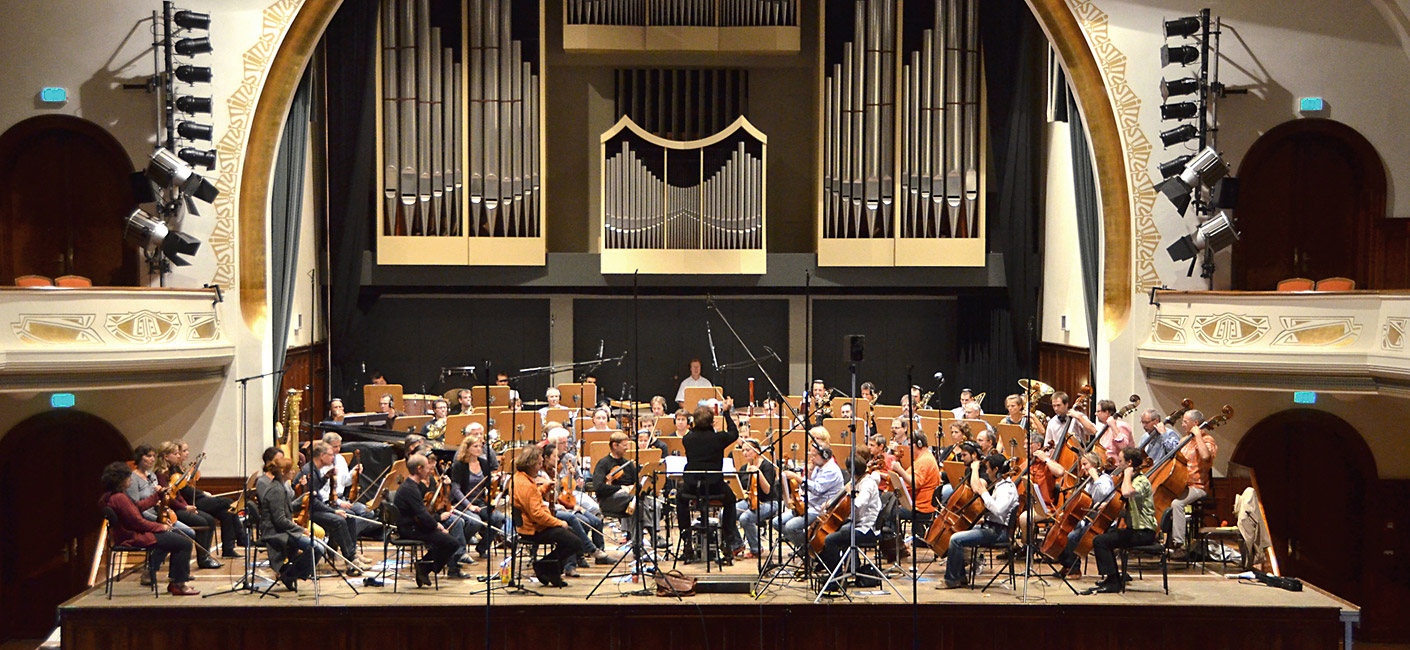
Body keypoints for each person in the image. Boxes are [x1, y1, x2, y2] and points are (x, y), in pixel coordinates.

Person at [99, 462, 199, 595]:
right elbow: (138, 522)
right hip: (133, 537)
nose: (131, 479)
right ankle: (178, 584)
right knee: (184, 543)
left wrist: (158, 495)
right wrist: (161, 527)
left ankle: (175, 582)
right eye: (129, 477)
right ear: (120, 480)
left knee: (177, 540)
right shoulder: (119, 498)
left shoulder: (112, 496)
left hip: (130, 534)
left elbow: (138, 507)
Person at [940, 452, 1017, 589]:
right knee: (958, 531)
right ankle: (960, 576)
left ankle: (951, 579)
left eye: (988, 469)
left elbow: (998, 510)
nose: (986, 472)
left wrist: (984, 493)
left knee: (955, 539)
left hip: (997, 532)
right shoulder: (1000, 484)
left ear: (996, 470)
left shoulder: (1007, 489)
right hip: (991, 527)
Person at [677, 398, 742, 562]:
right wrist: (726, 413)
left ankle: (686, 540)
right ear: (713, 422)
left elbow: (694, 433)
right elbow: (734, 433)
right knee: (731, 499)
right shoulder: (719, 438)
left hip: (692, 487)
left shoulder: (687, 439)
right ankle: (728, 539)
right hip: (715, 487)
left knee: (679, 497)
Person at [512, 444, 583, 587]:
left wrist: (544, 487)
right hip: (533, 529)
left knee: (571, 535)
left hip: (531, 525)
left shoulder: (520, 478)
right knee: (574, 542)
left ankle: (551, 570)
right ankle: (545, 567)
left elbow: (533, 498)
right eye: (539, 463)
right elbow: (537, 514)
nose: (540, 466)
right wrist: (558, 522)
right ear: (530, 463)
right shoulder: (526, 484)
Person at [1089, 447, 1157, 593]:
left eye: (1121, 461)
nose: (1118, 464)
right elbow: (1123, 506)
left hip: (1144, 532)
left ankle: (1114, 582)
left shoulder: (1141, 481)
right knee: (1103, 536)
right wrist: (1105, 506)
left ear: (1130, 462)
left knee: (1100, 541)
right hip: (1134, 529)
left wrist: (1127, 474)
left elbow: (1127, 493)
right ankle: (1112, 577)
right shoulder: (1133, 480)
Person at [394, 453, 468, 586]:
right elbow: (422, 514)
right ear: (419, 469)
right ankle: (425, 567)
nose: (430, 470)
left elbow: (422, 514)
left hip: (414, 525)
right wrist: (438, 526)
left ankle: (423, 567)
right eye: (427, 467)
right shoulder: (410, 489)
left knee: (446, 541)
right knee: (452, 543)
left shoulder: (411, 486)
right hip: (410, 529)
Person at [540, 442, 617, 571]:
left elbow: (558, 496)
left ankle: (599, 554)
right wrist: (563, 506)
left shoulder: (555, 472)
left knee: (596, 520)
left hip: (562, 505)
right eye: (555, 456)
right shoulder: (542, 475)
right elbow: (544, 500)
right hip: (550, 509)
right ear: (546, 458)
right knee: (583, 522)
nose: (558, 459)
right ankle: (583, 552)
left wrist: (571, 505)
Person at [297, 441, 367, 575]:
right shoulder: (309, 471)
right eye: (330, 455)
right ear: (321, 456)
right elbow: (313, 502)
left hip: (315, 507)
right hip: (308, 511)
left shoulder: (316, 470)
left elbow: (315, 492)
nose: (333, 457)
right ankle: (350, 559)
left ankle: (351, 553)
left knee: (349, 516)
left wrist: (325, 478)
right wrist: (334, 511)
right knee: (338, 520)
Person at [151, 442, 223, 568]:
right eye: (175, 453)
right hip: (172, 509)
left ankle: (205, 556)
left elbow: (178, 494)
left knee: (210, 520)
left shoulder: (172, 470)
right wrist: (184, 507)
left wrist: (189, 508)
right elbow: (168, 497)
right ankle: (203, 559)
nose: (178, 456)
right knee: (201, 522)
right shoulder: (160, 474)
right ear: (166, 456)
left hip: (180, 506)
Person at [819, 447, 883, 583]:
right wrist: (831, 503)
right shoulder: (858, 481)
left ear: (850, 471)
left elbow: (858, 504)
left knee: (830, 539)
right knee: (836, 530)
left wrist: (849, 494)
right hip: (857, 523)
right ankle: (844, 569)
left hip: (867, 529)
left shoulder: (868, 484)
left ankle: (835, 578)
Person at [255, 456, 319, 591]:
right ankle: (289, 574)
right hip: (276, 533)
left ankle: (290, 572)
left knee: (317, 547)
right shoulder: (276, 490)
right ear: (283, 472)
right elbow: (280, 520)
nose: (294, 472)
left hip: (283, 530)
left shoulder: (281, 486)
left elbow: (288, 508)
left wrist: (304, 498)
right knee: (316, 547)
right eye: (291, 470)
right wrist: (301, 530)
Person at [1051, 452, 1115, 578]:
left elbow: (1104, 493)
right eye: (1082, 465)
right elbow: (1083, 501)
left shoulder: (1104, 479)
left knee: (1073, 536)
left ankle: (1074, 568)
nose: (1083, 468)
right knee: (1067, 531)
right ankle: (1067, 565)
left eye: (1085, 464)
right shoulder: (1088, 482)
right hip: (1090, 519)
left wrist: (1095, 477)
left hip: (1102, 521)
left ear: (1095, 465)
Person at [593, 432, 661, 549]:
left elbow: (638, 484)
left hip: (631, 499)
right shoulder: (603, 463)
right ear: (615, 445)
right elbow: (598, 487)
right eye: (624, 445)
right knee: (636, 501)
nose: (627, 448)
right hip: (609, 500)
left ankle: (637, 545)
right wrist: (620, 488)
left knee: (650, 504)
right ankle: (653, 536)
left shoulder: (628, 463)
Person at [1168, 409, 1218, 559]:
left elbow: (1205, 455)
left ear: (1195, 424)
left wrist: (1198, 435)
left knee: (1177, 504)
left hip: (1198, 486)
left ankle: (1180, 545)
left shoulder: (1208, 440)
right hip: (1181, 484)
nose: (1182, 424)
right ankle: (1160, 541)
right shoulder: (1185, 440)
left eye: (1185, 421)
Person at [448, 432, 506, 557]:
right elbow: (456, 490)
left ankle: (483, 547)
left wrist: (498, 481)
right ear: (467, 448)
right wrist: (469, 506)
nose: (479, 449)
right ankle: (459, 547)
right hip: (462, 502)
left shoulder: (483, 463)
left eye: (480, 446)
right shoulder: (459, 465)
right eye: (475, 446)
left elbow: (488, 484)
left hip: (479, 502)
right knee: (475, 522)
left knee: (498, 518)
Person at [777, 441, 844, 548]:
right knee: (776, 522)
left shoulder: (831, 470)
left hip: (820, 509)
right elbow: (809, 488)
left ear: (824, 456)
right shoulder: (819, 466)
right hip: (808, 505)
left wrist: (797, 478)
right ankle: (804, 544)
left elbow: (818, 489)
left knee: (791, 527)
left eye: (814, 455)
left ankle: (808, 548)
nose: (811, 458)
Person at [888, 430, 942, 536]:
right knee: (888, 503)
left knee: (890, 512)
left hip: (920, 507)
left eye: (909, 445)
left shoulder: (925, 460)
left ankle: (893, 542)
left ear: (918, 444)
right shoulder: (923, 457)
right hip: (917, 503)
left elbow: (915, 483)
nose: (908, 448)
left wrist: (899, 469)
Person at [734, 438, 778, 559]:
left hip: (768, 502)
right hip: (749, 501)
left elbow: (767, 490)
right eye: (743, 450)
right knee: (725, 513)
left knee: (745, 518)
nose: (745, 453)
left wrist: (758, 473)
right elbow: (740, 489)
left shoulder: (767, 466)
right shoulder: (744, 468)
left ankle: (756, 548)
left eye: (748, 450)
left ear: (757, 451)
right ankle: (737, 544)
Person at [1090, 399, 1134, 464]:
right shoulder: (1104, 428)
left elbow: (1124, 447)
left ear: (1106, 412)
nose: (1095, 414)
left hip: (1117, 467)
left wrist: (1113, 426)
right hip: (1106, 466)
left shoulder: (1121, 426)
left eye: (1098, 411)